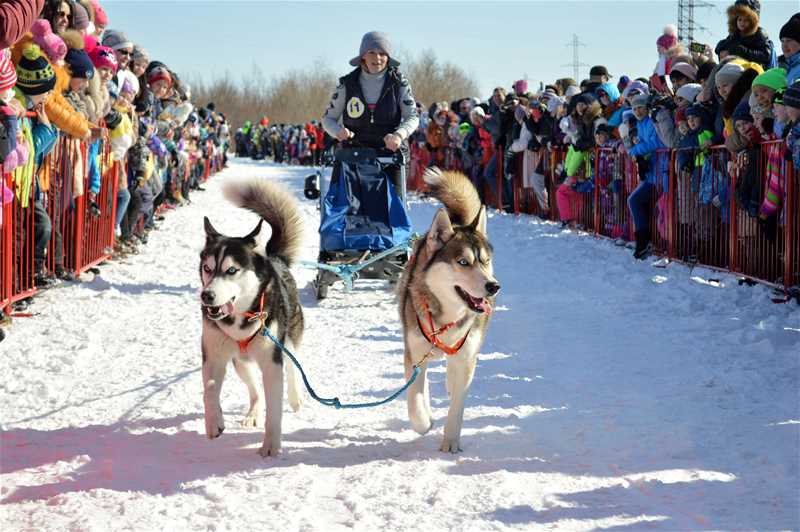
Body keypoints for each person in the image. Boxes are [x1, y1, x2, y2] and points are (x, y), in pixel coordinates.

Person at [321, 31, 419, 192]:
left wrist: (399, 135)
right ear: (363, 56)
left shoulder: (399, 83)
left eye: (382, 53)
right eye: (372, 52)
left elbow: (412, 117)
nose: (377, 58)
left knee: (393, 209)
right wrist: (338, 131)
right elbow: (328, 119)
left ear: (388, 57)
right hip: (354, 153)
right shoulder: (347, 84)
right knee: (341, 207)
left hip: (390, 154)